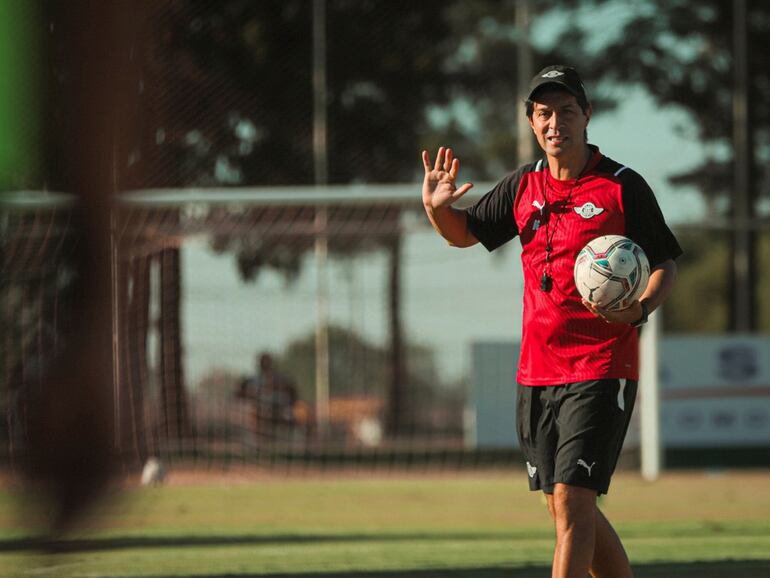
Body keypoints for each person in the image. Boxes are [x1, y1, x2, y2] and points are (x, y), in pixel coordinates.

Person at [421, 65, 682, 578]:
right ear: (531, 122)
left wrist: (642, 308)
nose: (555, 121)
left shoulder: (622, 185)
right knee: (561, 506)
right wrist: (436, 209)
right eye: (544, 113)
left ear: (587, 115)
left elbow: (665, 262)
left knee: (573, 502)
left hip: (602, 365)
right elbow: (463, 233)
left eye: (566, 110)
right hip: (537, 371)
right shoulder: (523, 185)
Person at [237, 352, 300, 440]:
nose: (265, 364)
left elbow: (293, 393)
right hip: (259, 411)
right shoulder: (252, 380)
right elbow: (240, 394)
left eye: (267, 361)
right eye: (263, 362)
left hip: (280, 411)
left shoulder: (281, 379)